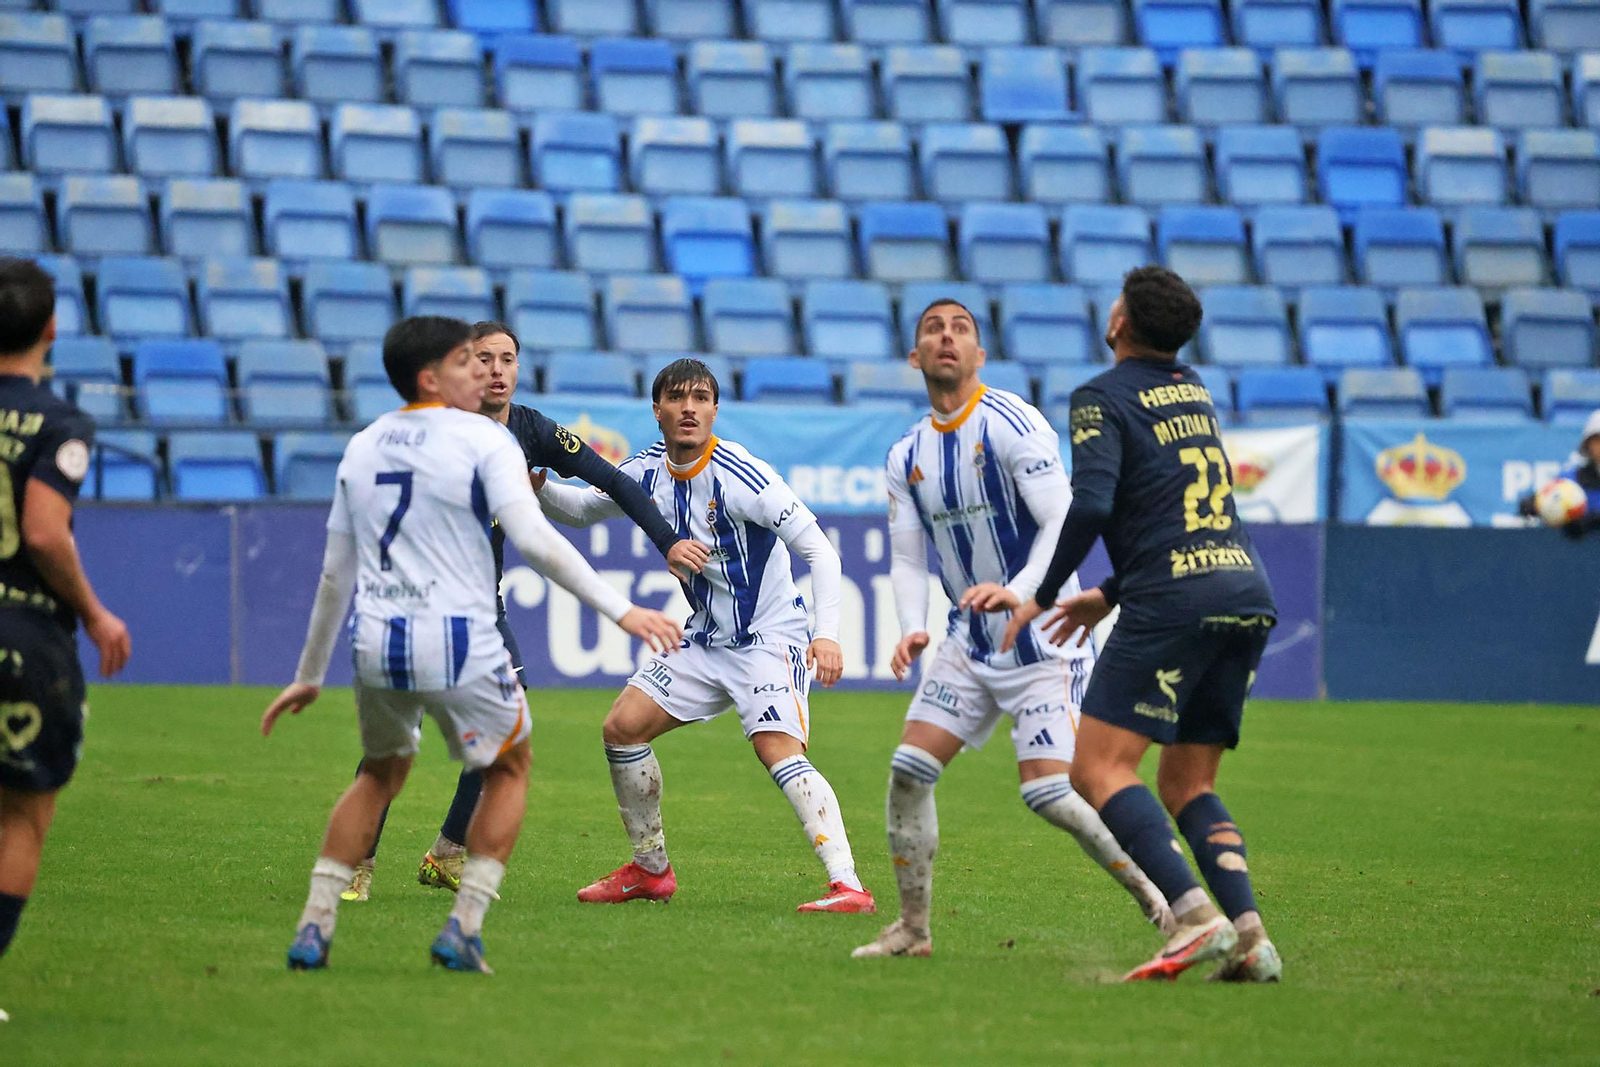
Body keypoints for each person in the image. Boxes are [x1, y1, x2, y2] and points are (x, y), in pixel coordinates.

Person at [261, 316, 683, 974]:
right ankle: (463, 926)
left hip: (375, 637)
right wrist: (622, 609)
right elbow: (538, 541)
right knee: (510, 763)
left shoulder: (365, 445)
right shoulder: (484, 442)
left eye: (494, 359)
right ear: (433, 376)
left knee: (378, 772)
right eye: (467, 361)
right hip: (459, 632)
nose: (483, 371)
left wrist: (307, 672)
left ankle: (315, 924)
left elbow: (334, 572)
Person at [343, 321, 710, 903]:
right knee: (396, 746)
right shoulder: (434, 433)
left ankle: (447, 853)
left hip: (481, 609)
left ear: (518, 368)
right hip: (413, 608)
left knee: (503, 731)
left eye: (506, 358)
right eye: (483, 358)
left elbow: (613, 482)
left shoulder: (530, 429)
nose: (495, 369)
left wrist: (666, 540)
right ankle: (357, 864)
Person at [851, 298, 1171, 961]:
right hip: (969, 643)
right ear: (915, 357)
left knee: (1051, 792)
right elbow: (910, 555)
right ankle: (913, 928)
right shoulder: (906, 453)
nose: (947, 337)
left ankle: (1162, 898)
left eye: (961, 329)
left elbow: (1062, 522)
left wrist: (1023, 591)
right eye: (933, 330)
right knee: (908, 769)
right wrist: (913, 627)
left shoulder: (1012, 421)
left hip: (1047, 635)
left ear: (979, 356)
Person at [989, 266, 1282, 983]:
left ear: (1119, 323)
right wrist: (1109, 592)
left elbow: (1090, 504)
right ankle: (1251, 937)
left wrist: (1045, 591)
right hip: (1244, 589)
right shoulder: (1193, 389)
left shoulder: (1100, 396)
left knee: (1096, 767)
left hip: (1174, 598)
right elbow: (1174, 505)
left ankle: (1193, 915)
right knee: (1188, 782)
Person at [532, 358, 875, 913]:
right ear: (657, 410)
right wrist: (539, 489)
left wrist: (827, 635)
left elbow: (820, 551)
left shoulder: (745, 475)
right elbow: (580, 512)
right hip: (706, 640)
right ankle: (650, 869)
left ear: (716, 409)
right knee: (622, 727)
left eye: (700, 397)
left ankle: (849, 885)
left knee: (776, 750)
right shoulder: (643, 472)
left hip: (769, 637)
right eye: (676, 397)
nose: (688, 408)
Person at [0, 257, 132, 1022]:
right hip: (22, 631)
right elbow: (46, 532)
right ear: (52, 328)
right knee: (20, 815)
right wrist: (93, 612)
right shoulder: (59, 422)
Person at [1517, 409, 1600, 538]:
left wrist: (1594, 521)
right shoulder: (1572, 478)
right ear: (1588, 444)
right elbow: (1551, 497)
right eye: (1597, 440)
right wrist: (1535, 503)